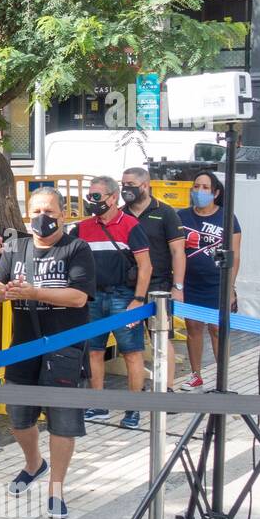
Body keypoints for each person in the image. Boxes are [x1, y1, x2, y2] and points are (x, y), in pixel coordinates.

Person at [0, 188, 95, 519]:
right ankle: (34, 464)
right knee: (19, 418)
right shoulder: (16, 246)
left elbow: (79, 297)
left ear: (63, 215)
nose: (41, 218)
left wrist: (34, 291)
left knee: (62, 422)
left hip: (64, 349)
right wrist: (4, 292)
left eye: (48, 211)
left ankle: (56, 487)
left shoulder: (76, 248)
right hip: (23, 347)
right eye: (34, 211)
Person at [68, 175, 151, 430]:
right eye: (89, 196)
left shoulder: (130, 225)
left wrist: (138, 300)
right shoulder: (82, 228)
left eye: (96, 196)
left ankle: (133, 409)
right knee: (93, 351)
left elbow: (145, 266)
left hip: (123, 296)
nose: (91, 201)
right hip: (93, 297)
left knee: (131, 353)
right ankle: (98, 404)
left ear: (113, 198)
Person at [120, 167, 186, 387]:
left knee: (161, 338)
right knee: (131, 343)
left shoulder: (165, 212)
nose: (126, 189)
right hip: (128, 286)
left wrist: (178, 286)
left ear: (145, 185)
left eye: (130, 185)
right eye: (123, 184)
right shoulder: (121, 214)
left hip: (158, 285)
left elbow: (178, 251)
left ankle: (165, 389)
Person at [177, 171, 241, 391]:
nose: (199, 191)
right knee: (193, 328)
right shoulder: (182, 216)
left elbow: (235, 254)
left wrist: (230, 287)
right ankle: (196, 374)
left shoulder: (227, 217)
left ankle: (221, 375)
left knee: (217, 329)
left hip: (217, 283)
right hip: (190, 283)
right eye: (196, 186)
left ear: (215, 192)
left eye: (205, 187)